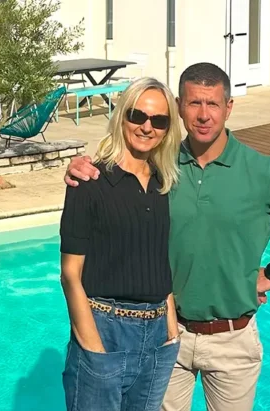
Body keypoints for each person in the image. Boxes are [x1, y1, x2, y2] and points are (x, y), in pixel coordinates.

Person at [66, 63, 270, 411]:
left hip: (233, 339)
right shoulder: (161, 165)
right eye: (193, 104)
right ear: (180, 108)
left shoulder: (261, 171)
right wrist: (81, 167)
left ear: (228, 107)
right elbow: (118, 171)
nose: (203, 115)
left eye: (213, 104)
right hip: (167, 335)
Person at [60, 77, 183, 411]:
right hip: (105, 329)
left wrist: (171, 332)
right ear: (121, 116)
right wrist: (93, 349)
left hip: (158, 337)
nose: (147, 127)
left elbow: (159, 258)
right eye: (137, 115)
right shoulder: (90, 181)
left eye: (159, 120)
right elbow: (70, 273)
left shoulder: (163, 183)